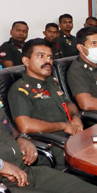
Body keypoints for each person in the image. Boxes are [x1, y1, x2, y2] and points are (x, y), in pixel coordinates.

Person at [8, 38, 84, 169]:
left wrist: (76, 117)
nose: (47, 60)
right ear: (26, 61)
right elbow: (25, 125)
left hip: (73, 138)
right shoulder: (20, 90)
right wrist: (64, 126)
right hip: (53, 146)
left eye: (50, 57)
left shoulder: (51, 82)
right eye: (40, 56)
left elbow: (69, 104)